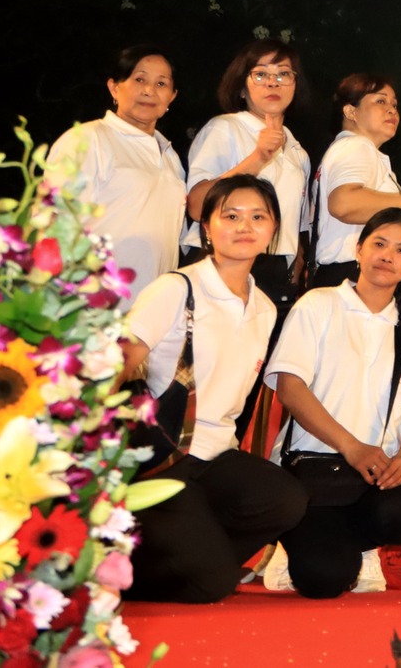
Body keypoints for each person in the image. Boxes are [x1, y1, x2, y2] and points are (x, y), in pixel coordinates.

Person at [123, 175, 308, 602]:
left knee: (286, 500)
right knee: (210, 584)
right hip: (164, 455)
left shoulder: (264, 308)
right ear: (207, 227)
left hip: (217, 455)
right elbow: (118, 362)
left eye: (258, 217)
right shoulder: (176, 288)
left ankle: (198, 556)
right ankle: (121, 568)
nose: (245, 226)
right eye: (231, 216)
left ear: (273, 229)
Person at [266, 208, 401, 599]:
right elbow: (290, 387)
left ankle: (360, 547)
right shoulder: (319, 304)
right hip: (312, 467)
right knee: (324, 579)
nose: (387, 256)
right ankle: (293, 545)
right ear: (358, 249)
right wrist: (351, 446)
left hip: (376, 476)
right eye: (379, 244)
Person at [48, 44, 186, 305]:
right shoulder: (88, 139)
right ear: (114, 87)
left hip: (153, 310)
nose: (149, 90)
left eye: (161, 83)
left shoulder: (171, 157)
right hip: (92, 305)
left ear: (172, 96)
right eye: (139, 79)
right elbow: (54, 223)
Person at [182, 40, 312, 272]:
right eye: (260, 74)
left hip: (275, 266)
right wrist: (258, 158)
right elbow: (197, 206)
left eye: (283, 74)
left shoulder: (297, 150)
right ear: (242, 88)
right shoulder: (225, 128)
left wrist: (295, 260)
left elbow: (295, 224)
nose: (273, 82)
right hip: (222, 257)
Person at [311, 75, 401, 289]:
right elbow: (343, 203)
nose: (391, 110)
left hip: (343, 275)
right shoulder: (357, 146)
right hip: (352, 277)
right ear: (351, 112)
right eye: (380, 101)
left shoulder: (349, 149)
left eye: (394, 105)